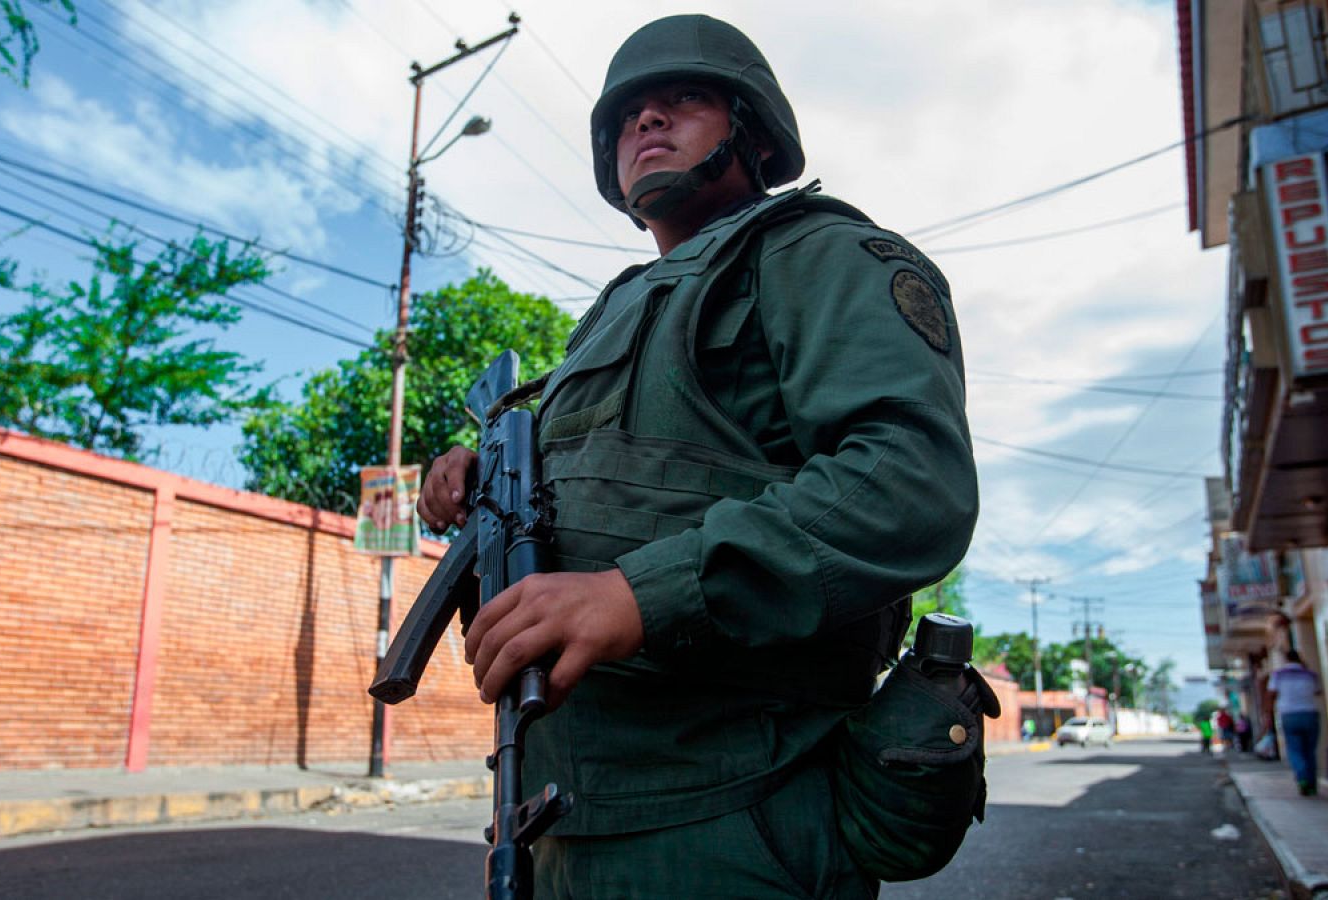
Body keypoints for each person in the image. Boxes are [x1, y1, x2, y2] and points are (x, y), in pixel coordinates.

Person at [416, 14, 976, 898]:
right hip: (562, 819)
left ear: (750, 132)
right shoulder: (615, 309)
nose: (646, 122)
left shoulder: (820, 256)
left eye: (682, 100)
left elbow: (908, 484)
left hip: (734, 821)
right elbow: (618, 484)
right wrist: (481, 476)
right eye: (628, 114)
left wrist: (640, 595)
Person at [1267, 649, 1322, 795]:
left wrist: (1269, 715)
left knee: (1294, 750)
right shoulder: (1310, 675)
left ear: (1286, 659)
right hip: (1310, 713)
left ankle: (1302, 777)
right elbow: (1318, 691)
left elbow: (1271, 694)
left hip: (1289, 715)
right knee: (1310, 751)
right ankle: (1311, 784)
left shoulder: (1278, 675)